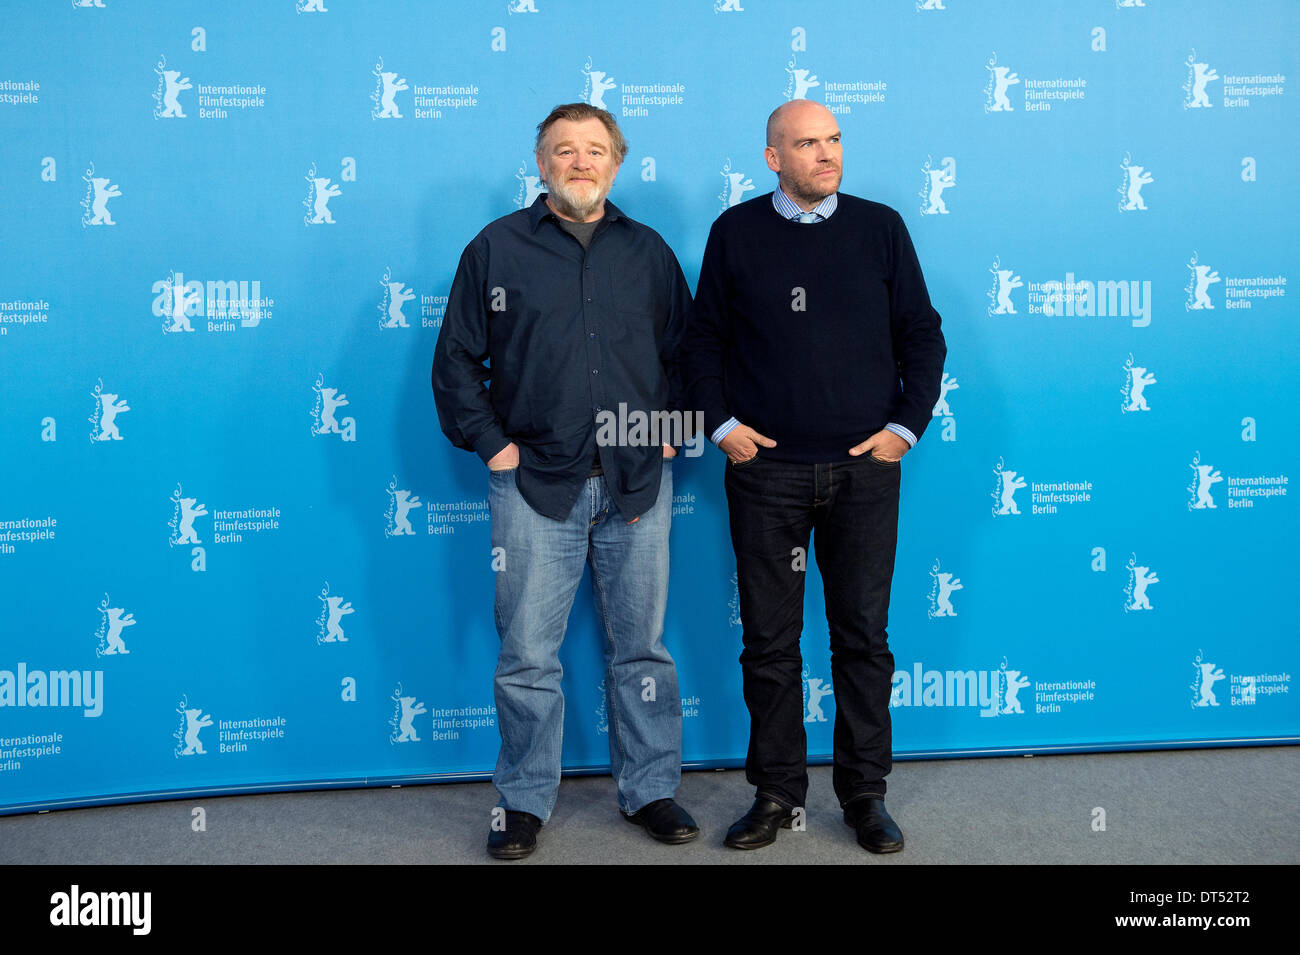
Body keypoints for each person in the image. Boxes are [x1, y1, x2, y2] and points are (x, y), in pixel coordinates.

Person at [432, 103, 698, 860]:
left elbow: (686, 354)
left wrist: (670, 431)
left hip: (636, 482)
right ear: (541, 162)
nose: (580, 162)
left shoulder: (648, 253)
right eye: (563, 150)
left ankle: (651, 787)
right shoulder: (495, 249)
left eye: (594, 150)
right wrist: (495, 448)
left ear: (616, 162)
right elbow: (455, 361)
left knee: (642, 649)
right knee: (526, 654)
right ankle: (521, 801)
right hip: (533, 484)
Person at [682, 99, 946, 853]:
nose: (826, 155)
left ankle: (865, 793)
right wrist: (724, 428)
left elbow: (922, 335)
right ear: (773, 157)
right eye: (807, 143)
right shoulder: (735, 232)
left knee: (862, 639)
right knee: (769, 642)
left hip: (864, 474)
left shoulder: (880, 227)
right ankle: (774, 793)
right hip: (766, 475)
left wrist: (903, 430)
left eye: (833, 140)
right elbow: (703, 342)